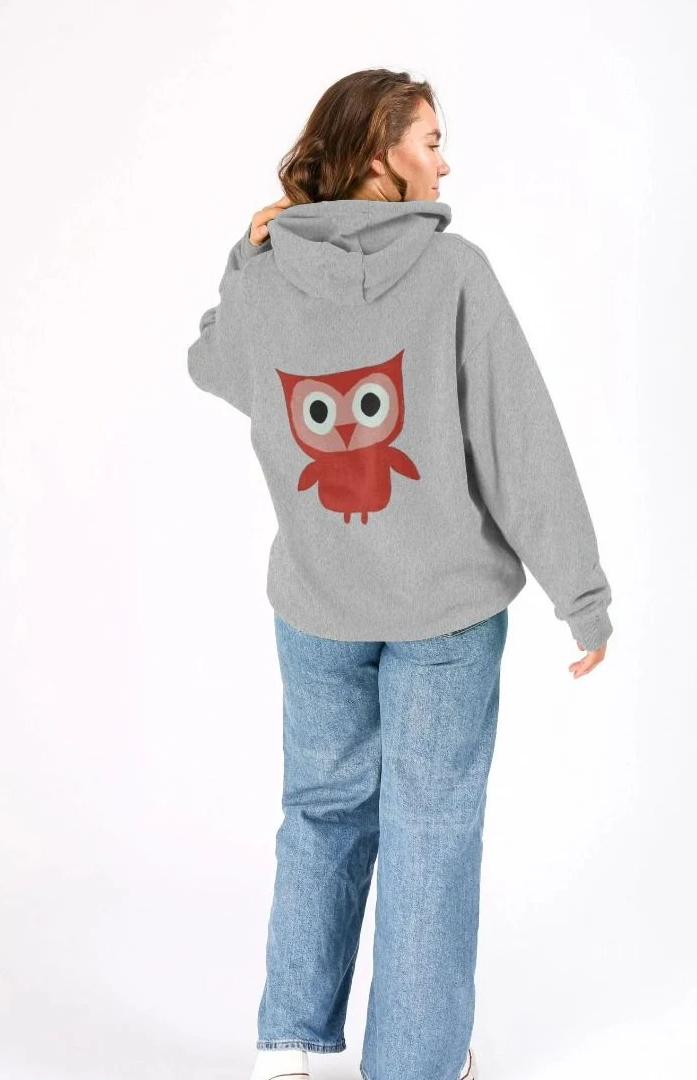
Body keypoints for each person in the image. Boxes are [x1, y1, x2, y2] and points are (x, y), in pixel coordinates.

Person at [187, 68, 614, 1080]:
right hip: (444, 612)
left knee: (321, 811)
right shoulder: (454, 271)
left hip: (317, 605)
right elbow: (519, 439)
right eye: (430, 140)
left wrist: (245, 257)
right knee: (431, 829)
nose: (444, 162)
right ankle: (415, 1064)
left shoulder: (271, 276)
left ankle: (287, 1048)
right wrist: (581, 594)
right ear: (379, 152)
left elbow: (214, 364)